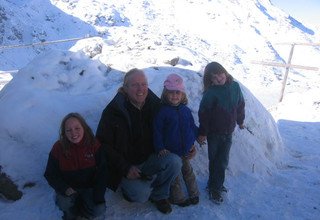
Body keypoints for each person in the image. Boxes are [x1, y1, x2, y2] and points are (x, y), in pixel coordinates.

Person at [96, 68, 181, 214]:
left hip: (150, 158)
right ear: (125, 88)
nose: (140, 88)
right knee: (141, 195)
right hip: (127, 165)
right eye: (135, 85)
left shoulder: (154, 104)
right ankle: (130, 188)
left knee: (175, 161)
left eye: (143, 84)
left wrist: (187, 144)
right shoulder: (113, 111)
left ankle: (160, 195)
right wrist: (125, 168)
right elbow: (102, 145)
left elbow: (171, 126)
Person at [198, 62, 245, 204]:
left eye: (220, 73)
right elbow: (204, 114)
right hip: (214, 134)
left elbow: (241, 104)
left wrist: (240, 121)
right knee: (215, 160)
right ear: (209, 80)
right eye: (214, 77)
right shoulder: (211, 93)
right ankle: (214, 187)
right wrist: (203, 133)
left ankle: (217, 185)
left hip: (228, 133)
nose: (219, 78)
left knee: (223, 161)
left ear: (225, 71)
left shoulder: (235, 87)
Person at [44, 113, 107, 220]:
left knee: (99, 209)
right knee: (64, 203)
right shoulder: (58, 148)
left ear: (84, 128)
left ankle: (84, 213)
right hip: (69, 190)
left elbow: (103, 171)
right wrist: (65, 189)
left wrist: (98, 195)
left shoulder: (94, 144)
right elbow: (50, 174)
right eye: (68, 130)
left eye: (77, 128)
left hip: (89, 188)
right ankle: (71, 214)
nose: (73, 133)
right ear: (64, 132)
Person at [153, 73, 199, 207]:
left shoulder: (186, 110)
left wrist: (198, 137)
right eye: (171, 92)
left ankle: (194, 193)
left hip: (185, 150)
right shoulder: (163, 112)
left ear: (183, 94)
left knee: (188, 173)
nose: (175, 95)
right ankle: (178, 198)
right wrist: (160, 147)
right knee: (175, 177)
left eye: (178, 92)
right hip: (171, 153)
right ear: (165, 94)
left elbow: (191, 127)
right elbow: (157, 131)